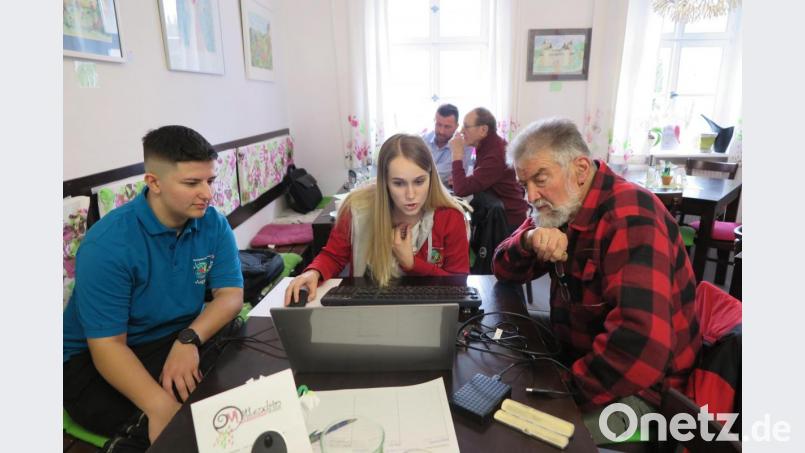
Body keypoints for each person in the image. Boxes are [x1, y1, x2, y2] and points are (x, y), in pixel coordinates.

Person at [491, 118, 701, 444]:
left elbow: (639, 346)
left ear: (580, 168)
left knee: (526, 438)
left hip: (643, 394)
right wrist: (530, 239)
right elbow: (503, 270)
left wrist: (561, 391)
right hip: (581, 351)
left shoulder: (632, 214)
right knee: (501, 342)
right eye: (523, 185)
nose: (531, 196)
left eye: (540, 179)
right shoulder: (561, 205)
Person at [63, 125, 244, 449]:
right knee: (181, 422)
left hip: (173, 336)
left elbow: (230, 297)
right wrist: (160, 407)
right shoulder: (108, 244)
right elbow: (108, 347)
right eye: (192, 183)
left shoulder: (212, 223)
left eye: (210, 180)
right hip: (98, 357)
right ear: (154, 182)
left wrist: (188, 339)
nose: (207, 193)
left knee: (241, 352)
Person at [285, 133, 469, 304]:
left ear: (431, 177)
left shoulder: (451, 216)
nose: (411, 194)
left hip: (429, 312)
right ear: (385, 182)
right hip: (367, 310)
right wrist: (314, 271)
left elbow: (458, 284)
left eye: (419, 181)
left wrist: (411, 264)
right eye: (398, 183)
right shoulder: (357, 208)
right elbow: (334, 255)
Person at [448, 107, 529, 232]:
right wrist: (462, 180)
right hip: (495, 214)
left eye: (466, 126)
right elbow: (483, 179)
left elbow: (461, 189)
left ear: (483, 130)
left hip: (507, 221)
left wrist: (457, 155)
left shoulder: (496, 153)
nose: (462, 131)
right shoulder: (488, 146)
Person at [422, 103, 473, 186]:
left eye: (447, 127)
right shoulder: (422, 140)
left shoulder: (464, 145)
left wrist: (419, 173)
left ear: (456, 126)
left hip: (449, 195)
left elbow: (441, 175)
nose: (441, 131)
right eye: (438, 125)